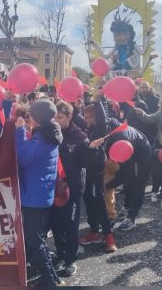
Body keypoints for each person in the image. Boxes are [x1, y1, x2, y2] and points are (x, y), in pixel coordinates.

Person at [15, 99, 63, 286]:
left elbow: (24, 156)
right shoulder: (50, 133)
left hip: (34, 197)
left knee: (35, 241)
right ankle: (53, 277)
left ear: (35, 118)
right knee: (38, 238)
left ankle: (49, 280)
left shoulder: (42, 137)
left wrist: (20, 132)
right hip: (40, 193)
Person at [50, 101, 91, 277]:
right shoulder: (50, 133)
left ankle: (70, 260)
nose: (56, 121)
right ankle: (60, 255)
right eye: (54, 117)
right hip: (52, 187)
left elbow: (88, 163)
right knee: (56, 224)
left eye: (60, 117)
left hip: (71, 188)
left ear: (69, 117)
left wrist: (95, 151)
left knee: (71, 224)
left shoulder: (80, 137)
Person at [95, 124, 152, 231]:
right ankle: (126, 207)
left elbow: (124, 173)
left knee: (137, 183)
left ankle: (131, 217)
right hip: (127, 147)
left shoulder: (120, 140)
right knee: (129, 183)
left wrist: (109, 185)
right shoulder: (105, 132)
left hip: (141, 152)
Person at [80, 101, 117, 252]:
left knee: (100, 202)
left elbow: (102, 118)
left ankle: (108, 234)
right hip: (85, 171)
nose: (86, 119)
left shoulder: (101, 129)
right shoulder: (88, 130)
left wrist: (97, 101)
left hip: (97, 171)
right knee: (88, 200)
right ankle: (94, 230)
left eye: (88, 117)